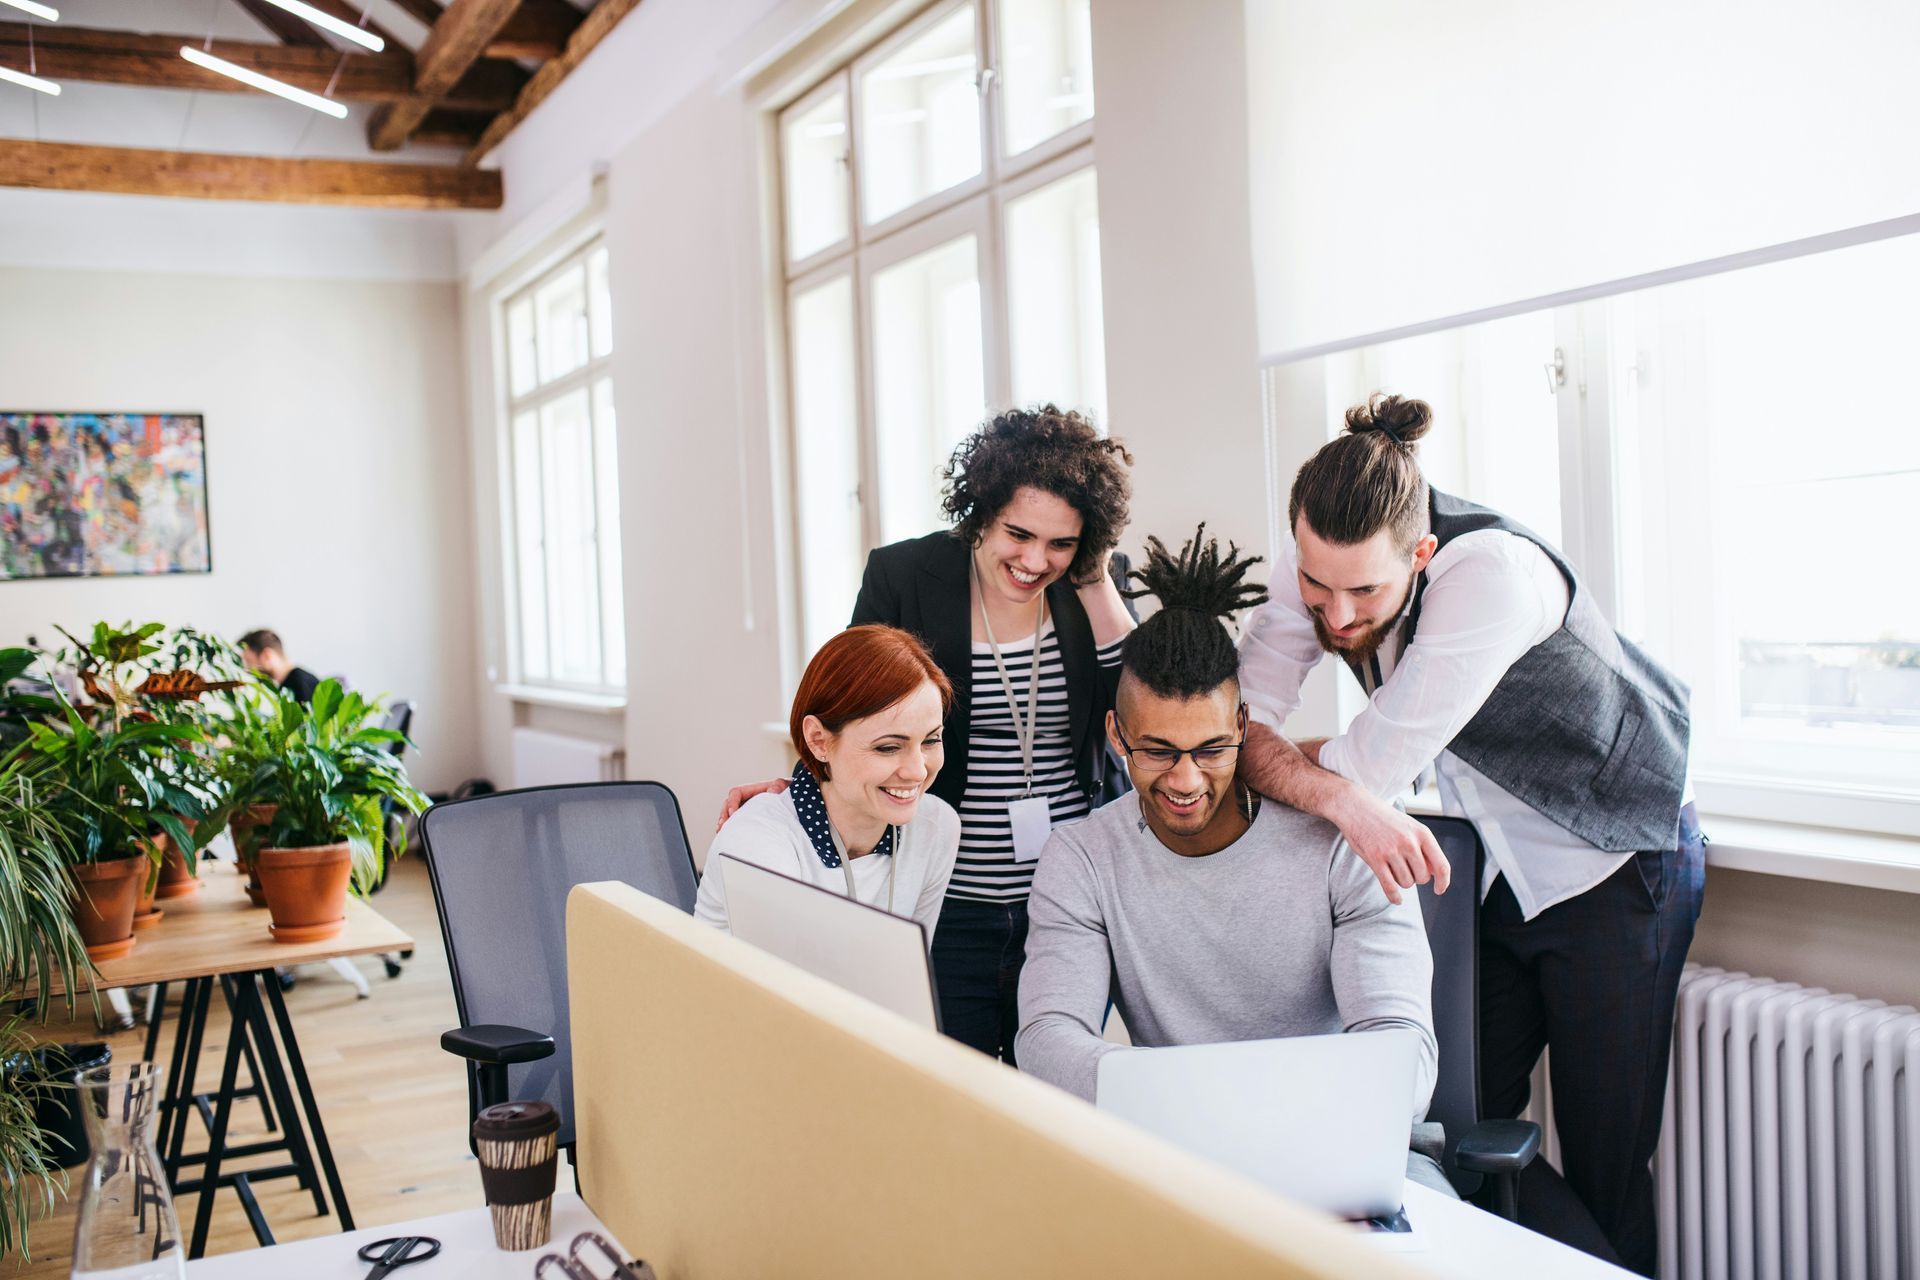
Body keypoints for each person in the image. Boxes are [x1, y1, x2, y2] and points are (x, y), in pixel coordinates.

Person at [1235, 393, 1701, 1274]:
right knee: (1450, 1128)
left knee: (1608, 1160)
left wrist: (1333, 785)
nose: (1334, 617)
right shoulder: (1328, 561)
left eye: (1364, 591)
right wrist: (1332, 788)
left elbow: (1361, 763)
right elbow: (1236, 732)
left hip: (1622, 862)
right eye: (1314, 586)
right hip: (1495, 880)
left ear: (1421, 554)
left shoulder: (1492, 577)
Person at [1015, 527, 1446, 1191]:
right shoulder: (1082, 859)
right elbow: (1046, 1042)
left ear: (1245, 729)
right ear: (1116, 735)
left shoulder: (1344, 844)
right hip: (1179, 1165)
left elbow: (1405, 1059)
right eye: (1157, 751)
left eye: (1211, 750)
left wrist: (1197, 1102)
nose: (1185, 782)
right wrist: (1198, 1116)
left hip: (1341, 1151)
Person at [717, 406, 1137, 1064]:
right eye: (1018, 534)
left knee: (1055, 1100)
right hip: (947, 900)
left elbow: (1141, 711)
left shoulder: (1089, 584)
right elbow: (852, 697)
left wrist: (1094, 580)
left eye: (1061, 543)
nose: (1036, 560)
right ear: (981, 512)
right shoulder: (907, 576)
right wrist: (803, 787)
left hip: (1065, 902)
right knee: (951, 1098)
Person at [697, 625, 960, 940]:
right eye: (888, 747)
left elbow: (910, 978)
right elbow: (784, 987)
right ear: (818, 740)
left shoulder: (936, 825)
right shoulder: (758, 842)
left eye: (930, 741)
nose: (917, 771)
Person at [239, 629, 321, 704]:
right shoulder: (293, 683)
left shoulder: (298, 686)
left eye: (249, 661)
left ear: (267, 656)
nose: (247, 669)